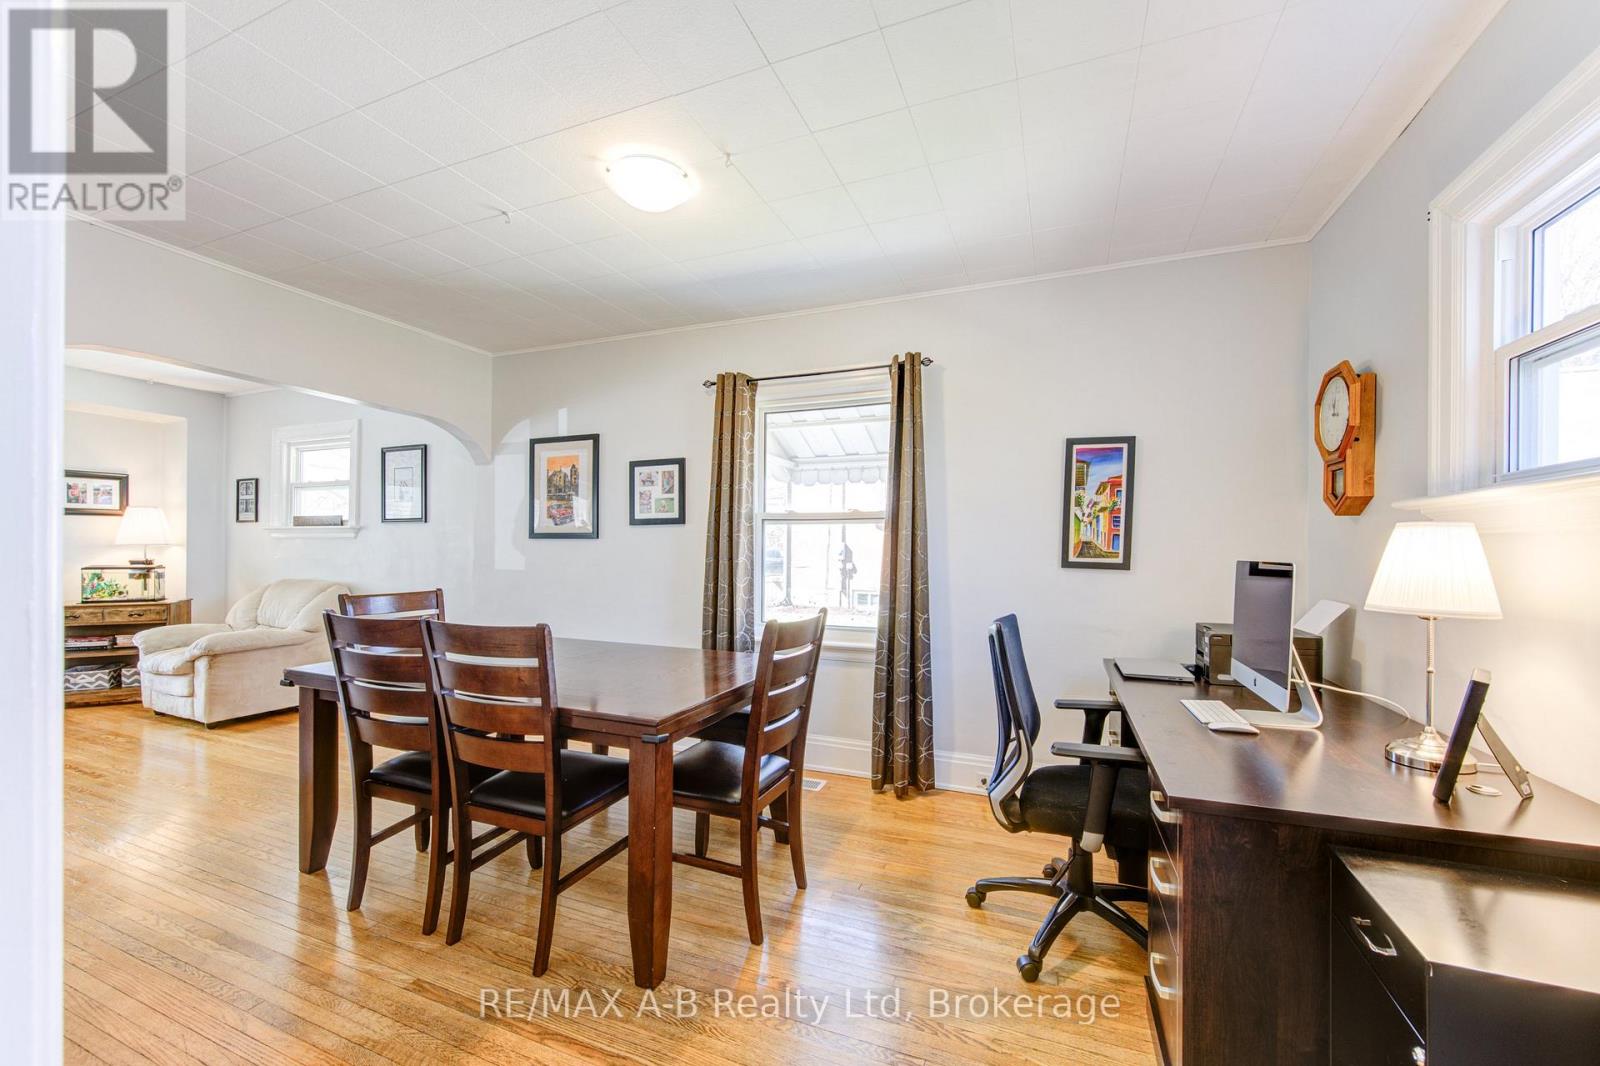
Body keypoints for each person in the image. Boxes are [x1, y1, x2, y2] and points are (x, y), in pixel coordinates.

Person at [838, 543, 856, 607]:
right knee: (842, 583)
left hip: (846, 576)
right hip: (843, 576)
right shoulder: (840, 563)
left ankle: (844, 594)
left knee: (844, 583)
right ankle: (843, 592)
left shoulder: (847, 564)